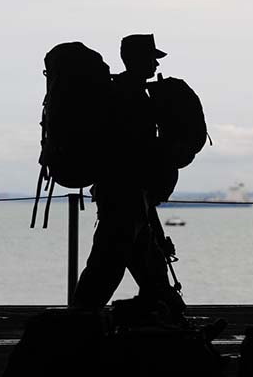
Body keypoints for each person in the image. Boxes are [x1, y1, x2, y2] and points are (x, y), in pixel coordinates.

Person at [72, 34, 186, 324]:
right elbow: (133, 151)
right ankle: (79, 322)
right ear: (136, 59)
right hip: (125, 194)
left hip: (130, 196)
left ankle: (170, 316)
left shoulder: (126, 92)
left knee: (149, 270)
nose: (155, 63)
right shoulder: (128, 95)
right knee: (107, 266)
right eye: (151, 57)